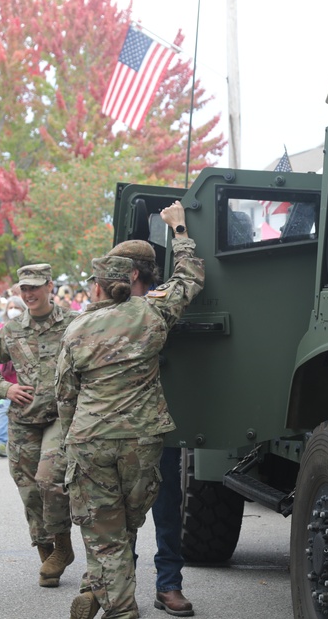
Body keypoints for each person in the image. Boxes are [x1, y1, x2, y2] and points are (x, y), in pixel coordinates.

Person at [59, 202, 204, 619]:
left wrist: (71, 443)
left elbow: (65, 395)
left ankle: (116, 604)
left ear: (101, 286)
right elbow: (190, 277)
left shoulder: (76, 329)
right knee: (124, 526)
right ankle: (106, 592)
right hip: (141, 443)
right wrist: (179, 231)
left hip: (90, 441)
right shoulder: (152, 312)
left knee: (108, 534)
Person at [104, 203, 204, 617]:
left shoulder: (153, 306)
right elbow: (190, 275)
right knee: (123, 517)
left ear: (132, 274)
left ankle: (167, 585)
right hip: (113, 429)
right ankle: (122, 590)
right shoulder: (112, 309)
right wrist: (179, 229)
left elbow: (184, 281)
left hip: (147, 428)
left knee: (162, 512)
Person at [0, 264, 77, 587]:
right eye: (24, 289)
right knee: (29, 490)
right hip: (23, 421)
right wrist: (6, 389)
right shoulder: (11, 330)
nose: (29, 294)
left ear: (50, 286)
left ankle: (63, 546)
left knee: (48, 480)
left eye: (35, 287)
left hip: (59, 418)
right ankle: (46, 554)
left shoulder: (73, 325)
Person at [0, 296, 24, 457]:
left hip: (23, 381)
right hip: (5, 381)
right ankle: (1, 443)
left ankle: (20, 445)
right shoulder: (0, 328)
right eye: (10, 306)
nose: (13, 309)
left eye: (17, 307)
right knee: (2, 411)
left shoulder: (28, 328)